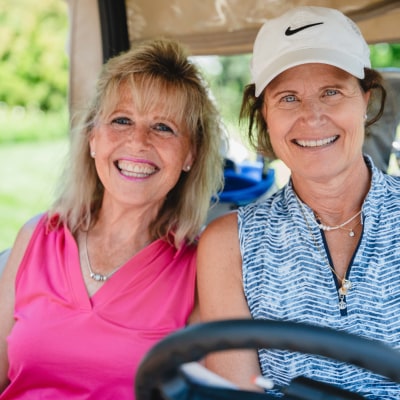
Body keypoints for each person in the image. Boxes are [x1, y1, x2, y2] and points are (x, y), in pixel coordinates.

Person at [0, 38, 224, 399]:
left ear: (190, 155)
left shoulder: (200, 267)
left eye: (163, 127)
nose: (138, 141)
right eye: (122, 120)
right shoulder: (37, 236)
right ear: (93, 139)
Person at [197, 6, 400, 399]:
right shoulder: (229, 244)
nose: (312, 116)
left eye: (331, 92)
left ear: (365, 100)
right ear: (265, 116)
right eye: (288, 98)